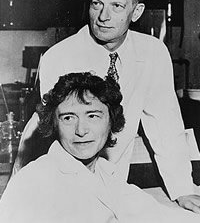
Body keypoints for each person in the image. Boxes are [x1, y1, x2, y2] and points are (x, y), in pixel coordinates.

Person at [13, 0, 200, 212]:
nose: (103, 16)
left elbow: (166, 125)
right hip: (52, 180)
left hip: (110, 184)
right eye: (96, 3)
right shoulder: (60, 57)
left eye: (117, 6)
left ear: (136, 11)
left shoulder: (152, 52)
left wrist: (183, 188)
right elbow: (63, 140)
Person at [1, 72, 200, 223]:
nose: (81, 130)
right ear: (54, 124)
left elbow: (159, 216)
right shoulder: (33, 182)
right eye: (68, 117)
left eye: (93, 115)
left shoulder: (105, 175)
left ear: (111, 121)